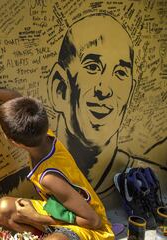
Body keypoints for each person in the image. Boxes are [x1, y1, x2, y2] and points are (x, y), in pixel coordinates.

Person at [0, 81, 114, 240]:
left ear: (15, 143)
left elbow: (93, 221)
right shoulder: (43, 134)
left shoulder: (49, 178)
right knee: (5, 209)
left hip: (94, 230)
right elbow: (16, 98)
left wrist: (35, 217)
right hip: (62, 213)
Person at [47, 13, 166, 195]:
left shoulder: (148, 183)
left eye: (120, 72)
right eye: (92, 67)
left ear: (130, 93)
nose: (104, 90)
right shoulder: (18, 187)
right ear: (60, 88)